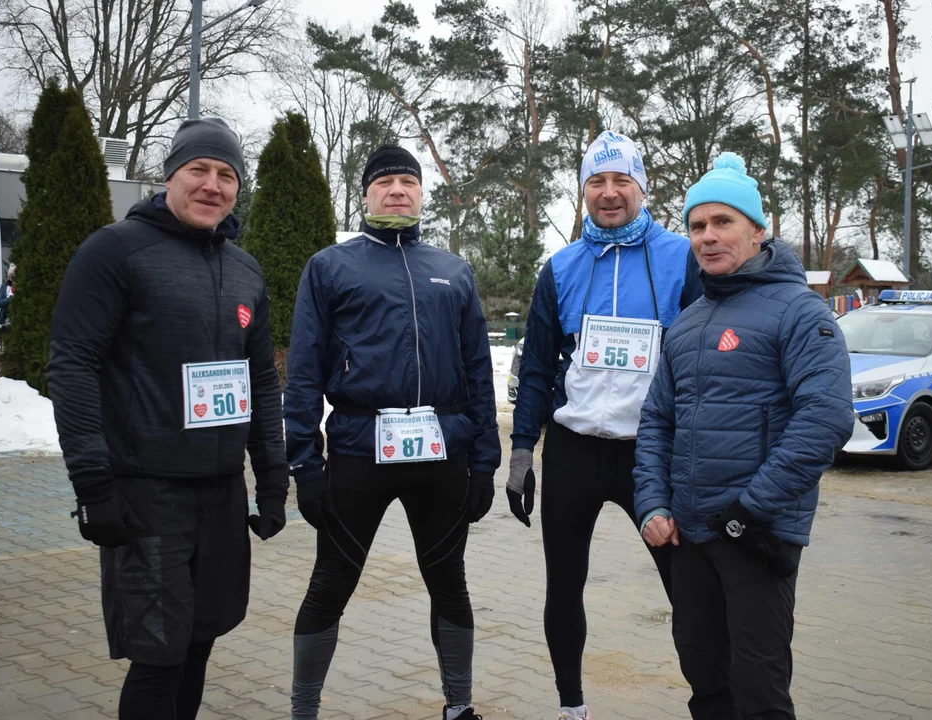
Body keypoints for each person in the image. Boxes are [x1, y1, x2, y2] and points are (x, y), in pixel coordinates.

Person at [48, 118, 288, 720]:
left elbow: (260, 380)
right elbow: (72, 366)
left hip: (221, 493)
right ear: (169, 176)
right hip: (145, 491)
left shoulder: (245, 270)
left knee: (201, 641)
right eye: (198, 171)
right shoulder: (115, 251)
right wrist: (93, 485)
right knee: (157, 658)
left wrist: (274, 478)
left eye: (226, 174)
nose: (212, 185)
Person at [633, 152, 855, 720]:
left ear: (758, 230)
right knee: (705, 684)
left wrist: (750, 510)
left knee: (758, 693)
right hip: (691, 536)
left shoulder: (800, 313)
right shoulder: (687, 323)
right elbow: (657, 420)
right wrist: (652, 503)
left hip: (757, 536)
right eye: (697, 225)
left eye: (722, 222)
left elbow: (825, 419)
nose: (707, 237)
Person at [285, 144, 500, 720]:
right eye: (385, 183)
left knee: (449, 582)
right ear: (364, 196)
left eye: (408, 181)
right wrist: (303, 465)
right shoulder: (330, 267)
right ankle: (303, 710)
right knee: (330, 582)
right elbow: (303, 371)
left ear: (423, 194)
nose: (397, 190)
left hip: (442, 451)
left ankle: (460, 707)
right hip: (359, 448)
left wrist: (486, 460)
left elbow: (479, 368)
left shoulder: (453, 269)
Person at [508, 130, 703, 720]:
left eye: (622, 181)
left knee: (688, 591)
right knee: (563, 588)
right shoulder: (561, 267)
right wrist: (521, 453)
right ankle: (572, 707)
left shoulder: (680, 258)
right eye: (598, 181)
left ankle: (713, 701)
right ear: (584, 189)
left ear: (643, 188)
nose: (610, 193)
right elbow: (538, 368)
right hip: (573, 449)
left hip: (649, 452)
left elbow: (699, 368)